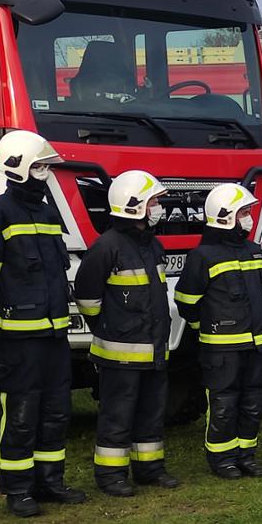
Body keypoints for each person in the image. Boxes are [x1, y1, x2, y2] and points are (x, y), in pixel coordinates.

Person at [0, 130, 85, 517]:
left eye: (46, 166)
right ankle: (17, 489)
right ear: (17, 168)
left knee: (56, 410)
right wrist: (3, 314)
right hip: (18, 338)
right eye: (39, 166)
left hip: (53, 334)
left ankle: (50, 482)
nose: (46, 173)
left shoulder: (49, 213)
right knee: (20, 413)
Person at [72, 170, 180, 496]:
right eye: (154, 201)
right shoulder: (107, 247)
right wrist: (110, 329)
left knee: (151, 412)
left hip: (153, 349)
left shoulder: (152, 245)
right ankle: (110, 476)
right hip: (120, 354)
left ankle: (149, 469)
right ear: (134, 206)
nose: (159, 206)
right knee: (117, 416)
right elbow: (88, 298)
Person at [175, 183, 262, 479]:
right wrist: (202, 328)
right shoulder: (203, 256)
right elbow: (186, 301)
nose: (248, 217)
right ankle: (222, 459)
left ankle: (246, 455)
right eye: (244, 212)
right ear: (226, 215)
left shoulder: (254, 251)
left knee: (253, 402)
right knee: (224, 403)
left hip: (255, 345)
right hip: (222, 348)